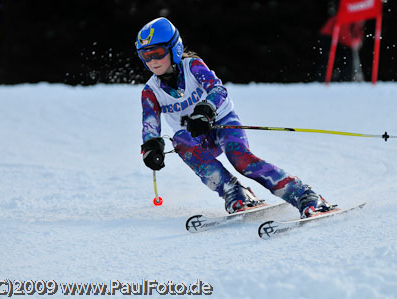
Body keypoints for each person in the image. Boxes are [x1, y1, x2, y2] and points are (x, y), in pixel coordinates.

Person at [137, 17, 334, 218]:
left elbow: (217, 88)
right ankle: (235, 192)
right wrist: (151, 147)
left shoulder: (192, 66)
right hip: (196, 136)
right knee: (180, 141)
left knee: (241, 160)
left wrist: (205, 110)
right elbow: (150, 124)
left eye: (158, 53)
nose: (152, 61)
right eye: (145, 55)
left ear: (174, 49)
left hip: (222, 123)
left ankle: (305, 195)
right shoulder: (151, 91)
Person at [316, 15, 365, 82]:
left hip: (339, 40)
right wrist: (352, 43)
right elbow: (343, 33)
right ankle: (322, 80)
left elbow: (357, 32)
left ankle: (344, 80)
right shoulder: (347, 16)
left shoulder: (357, 21)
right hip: (328, 37)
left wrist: (358, 41)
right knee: (328, 59)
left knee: (345, 60)